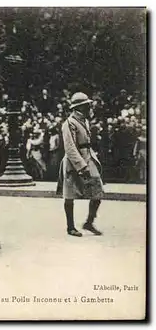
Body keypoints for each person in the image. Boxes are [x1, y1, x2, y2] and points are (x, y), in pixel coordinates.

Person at [57, 92, 104, 237]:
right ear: (80, 107)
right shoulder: (69, 123)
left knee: (98, 189)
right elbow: (70, 147)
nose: (90, 107)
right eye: (87, 105)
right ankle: (70, 227)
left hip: (88, 157)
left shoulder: (85, 121)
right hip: (73, 162)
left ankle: (89, 222)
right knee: (69, 194)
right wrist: (81, 166)